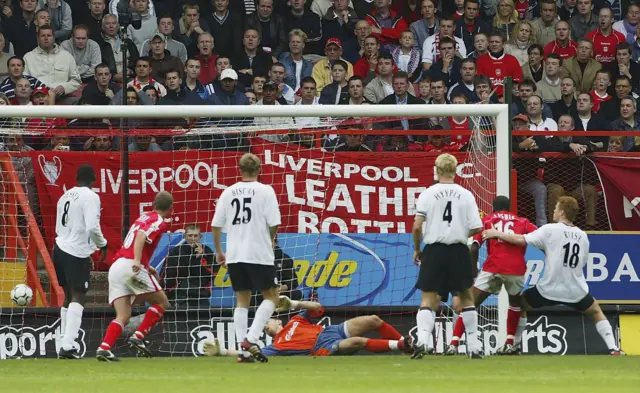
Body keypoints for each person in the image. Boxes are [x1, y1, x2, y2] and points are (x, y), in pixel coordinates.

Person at [483, 196, 624, 356]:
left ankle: (514, 345)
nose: (554, 211)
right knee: (596, 312)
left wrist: (497, 233)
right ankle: (613, 348)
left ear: (562, 212)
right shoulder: (582, 236)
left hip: (549, 288)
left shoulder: (549, 230)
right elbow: (583, 262)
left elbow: (519, 239)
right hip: (575, 289)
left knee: (519, 305)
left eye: (556, 208)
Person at [411, 153, 483, 359]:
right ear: (455, 170)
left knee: (428, 299)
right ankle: (474, 346)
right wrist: (459, 233)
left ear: (437, 169)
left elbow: (417, 227)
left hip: (434, 250)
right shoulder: (466, 194)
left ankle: (423, 341)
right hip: (459, 250)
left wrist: (417, 249)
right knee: (467, 298)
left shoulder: (427, 194)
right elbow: (477, 226)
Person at [211, 153, 281, 363]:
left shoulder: (228, 192)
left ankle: (242, 351)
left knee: (242, 298)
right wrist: (269, 239)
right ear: (259, 169)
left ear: (239, 169)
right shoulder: (266, 191)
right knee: (272, 296)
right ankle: (250, 340)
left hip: (235, 254)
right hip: (258, 252)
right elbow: (274, 222)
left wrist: (219, 251)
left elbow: (216, 224)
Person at [444, 196, 536, 356]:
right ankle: (509, 343)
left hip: (492, 268)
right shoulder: (523, 221)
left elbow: (473, 248)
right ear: (510, 208)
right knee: (515, 304)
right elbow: (539, 236)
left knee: (470, 304)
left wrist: (472, 273)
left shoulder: (487, 220)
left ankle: (454, 343)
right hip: (516, 269)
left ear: (493, 208)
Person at [96, 191, 174, 362]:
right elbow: (140, 237)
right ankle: (139, 335)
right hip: (131, 266)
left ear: (153, 203)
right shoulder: (159, 221)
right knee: (162, 302)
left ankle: (104, 348)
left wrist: (148, 266)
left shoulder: (143, 217)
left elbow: (133, 241)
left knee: (123, 315)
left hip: (117, 266)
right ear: (170, 209)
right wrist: (138, 261)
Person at [203, 297, 412, 358]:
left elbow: (318, 308)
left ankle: (408, 347)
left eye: (266, 321)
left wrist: (295, 304)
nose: (265, 326)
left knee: (373, 320)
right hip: (322, 347)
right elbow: (247, 354)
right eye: (263, 326)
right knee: (358, 342)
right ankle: (402, 345)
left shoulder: (296, 320)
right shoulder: (275, 347)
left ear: (278, 321)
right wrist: (221, 351)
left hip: (330, 332)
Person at [54, 164, 107, 359]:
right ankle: (68, 345)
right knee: (79, 295)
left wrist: (87, 249)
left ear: (76, 178)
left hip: (59, 247)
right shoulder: (91, 197)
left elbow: (60, 226)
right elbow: (93, 227)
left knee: (68, 296)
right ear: (93, 180)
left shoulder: (65, 195)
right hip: (74, 252)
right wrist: (102, 244)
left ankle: (64, 343)